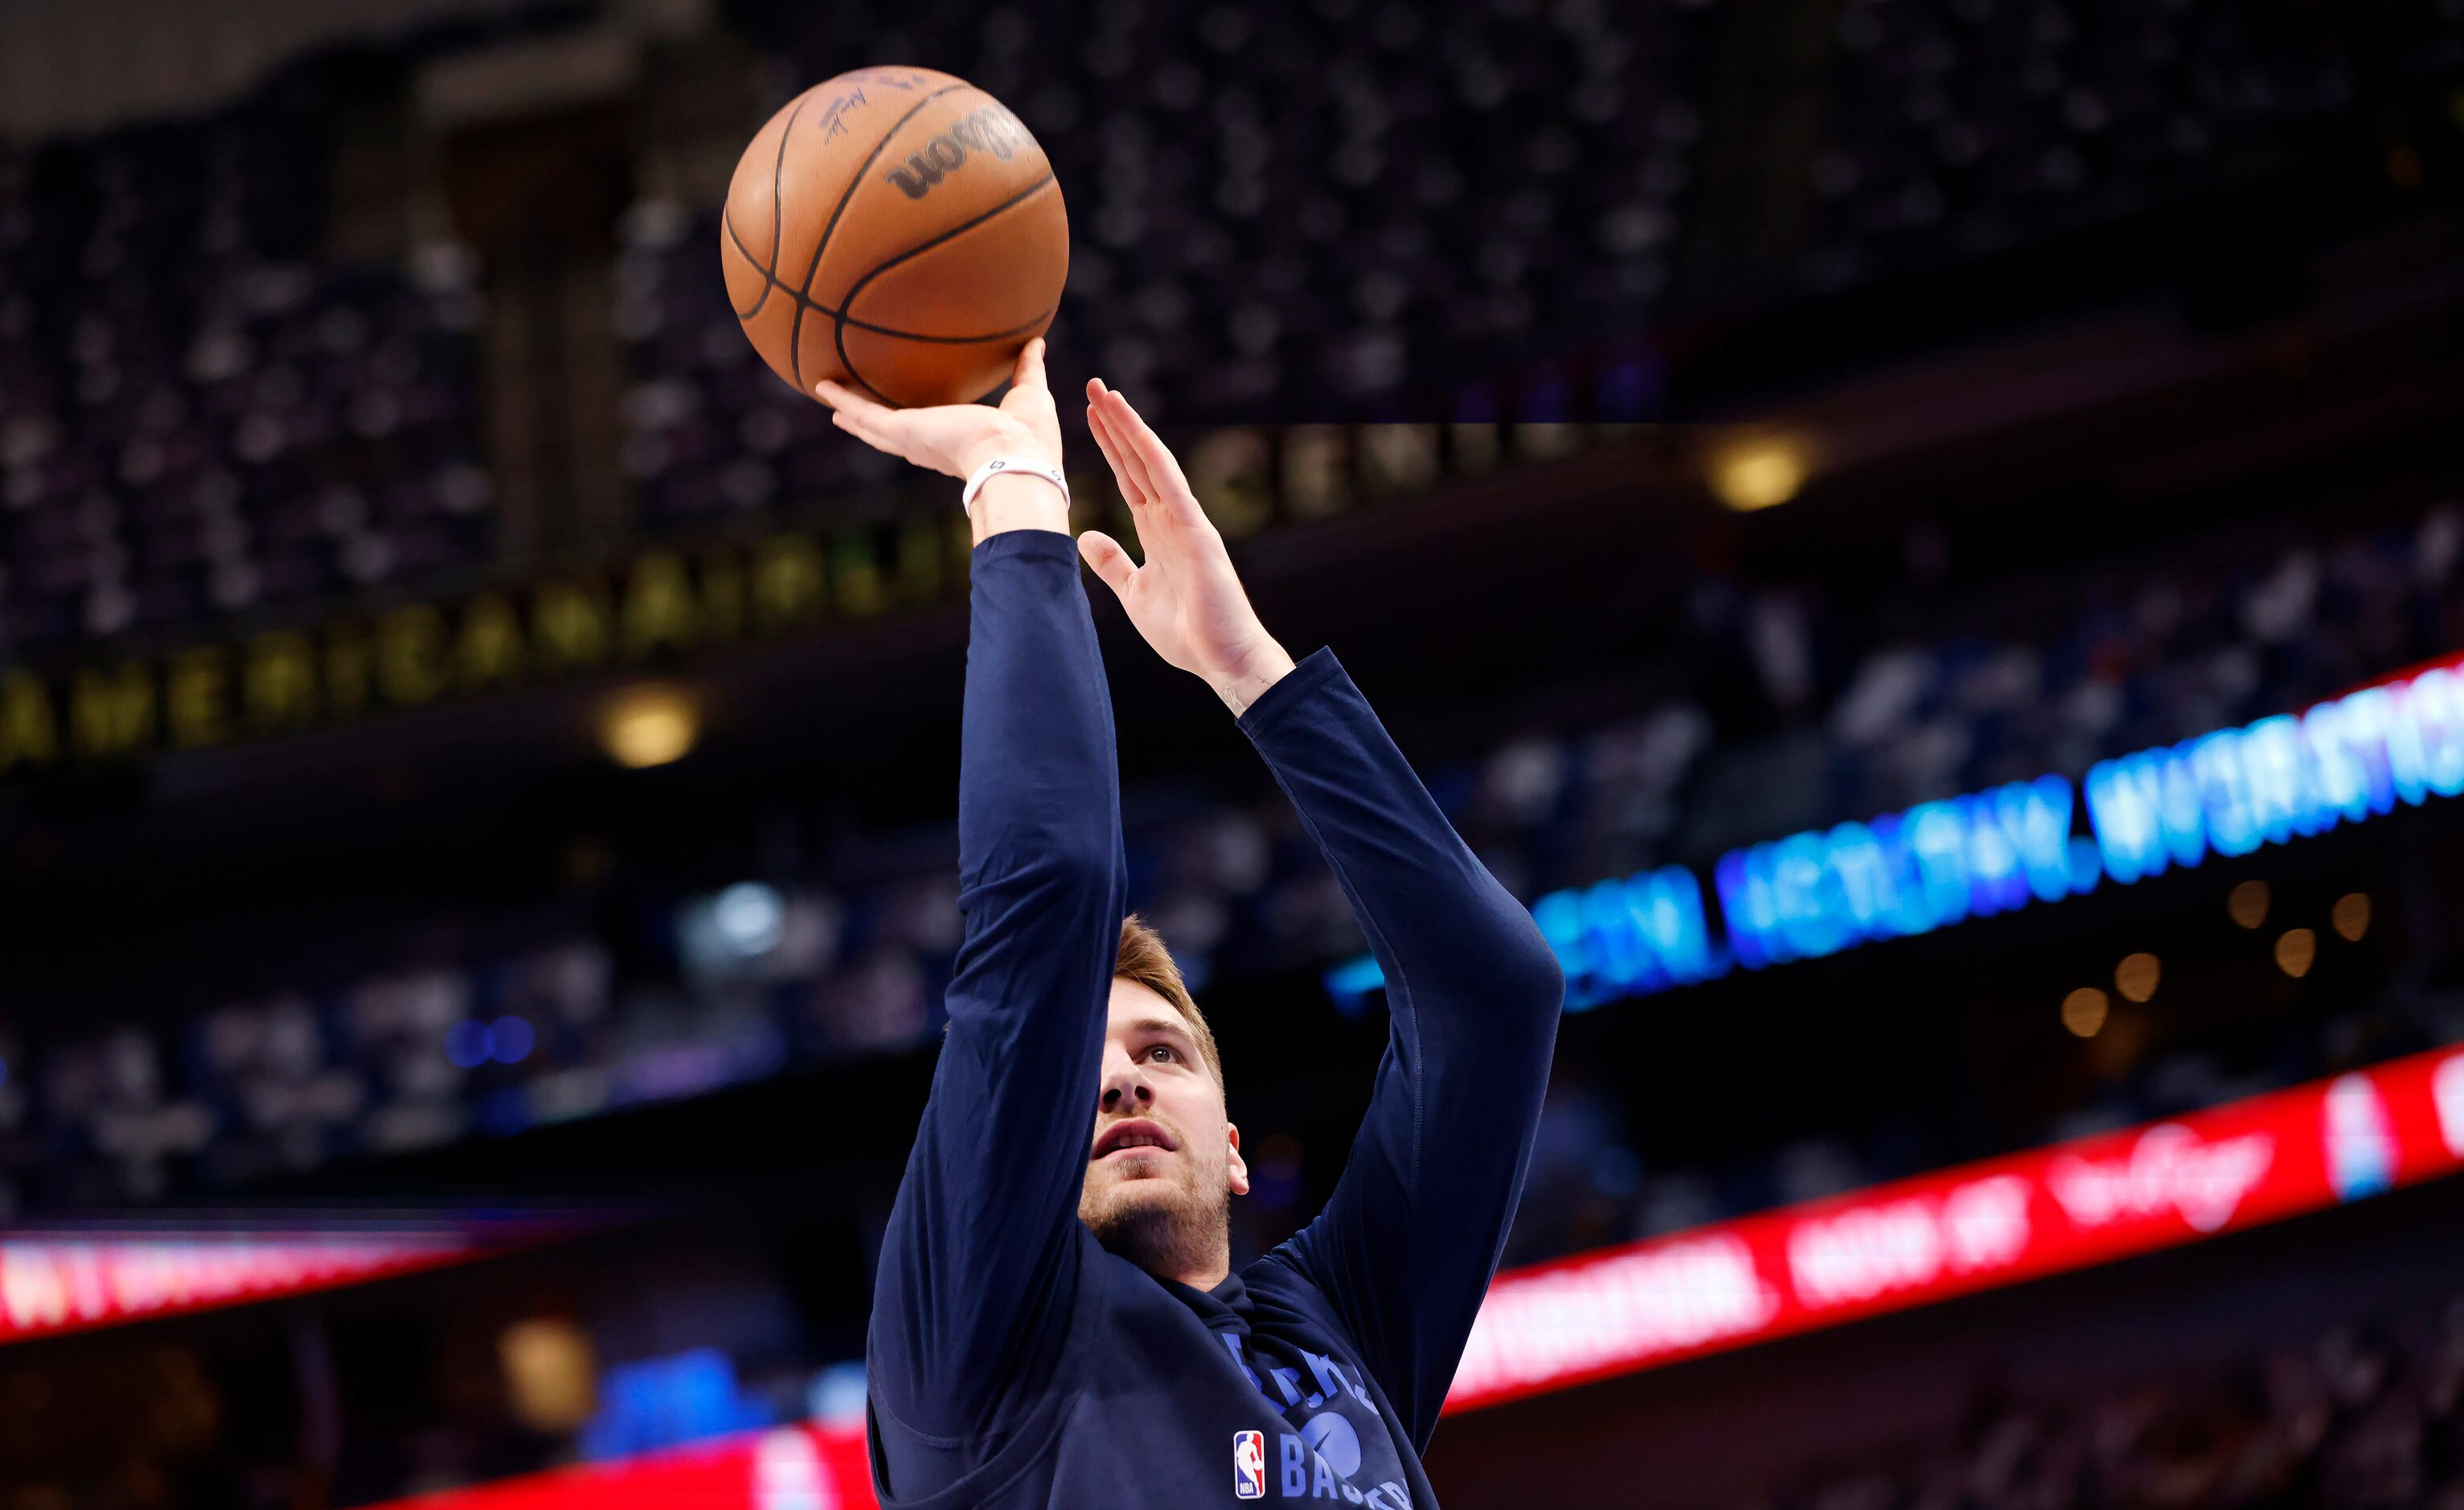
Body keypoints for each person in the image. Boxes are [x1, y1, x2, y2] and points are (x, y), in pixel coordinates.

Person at [814, 341, 1564, 1508]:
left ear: (1229, 1142)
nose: (1118, 1085)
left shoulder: (1331, 1324)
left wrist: (1248, 666)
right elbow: (1049, 885)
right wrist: (1012, 491)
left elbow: (1493, 996)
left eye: (1159, 1052)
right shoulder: (972, 1344)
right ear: (1016, 1158)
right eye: (1083, 1069)